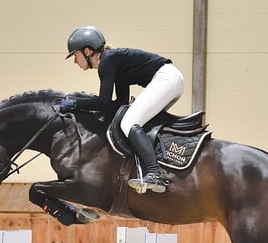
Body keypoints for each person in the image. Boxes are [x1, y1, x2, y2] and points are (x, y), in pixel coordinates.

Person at [60, 26, 184, 193]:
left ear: (88, 51)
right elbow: (120, 103)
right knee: (133, 120)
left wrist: (75, 103)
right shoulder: (113, 62)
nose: (75, 61)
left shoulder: (107, 62)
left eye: (75, 55)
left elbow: (103, 101)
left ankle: (155, 174)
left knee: (130, 122)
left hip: (166, 79)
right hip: (171, 80)